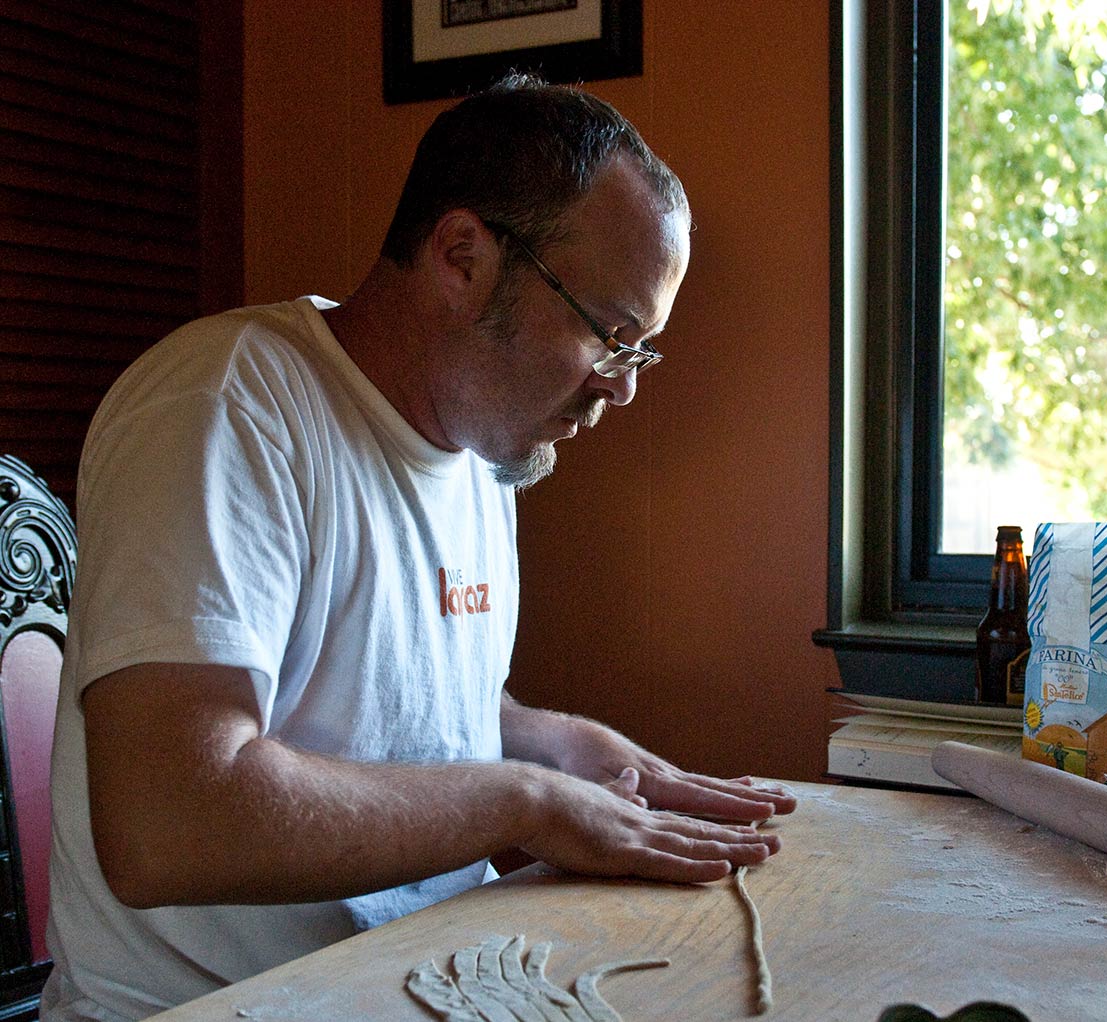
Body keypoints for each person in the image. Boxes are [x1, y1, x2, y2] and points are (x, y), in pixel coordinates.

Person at [41, 75, 796, 1021]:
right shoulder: (227, 406)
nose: (622, 389)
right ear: (462, 257)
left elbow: (369, 708)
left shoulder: (482, 450)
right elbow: (167, 819)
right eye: (610, 334)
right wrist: (525, 803)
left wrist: (553, 745)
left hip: (425, 977)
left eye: (638, 351)